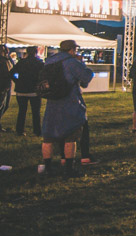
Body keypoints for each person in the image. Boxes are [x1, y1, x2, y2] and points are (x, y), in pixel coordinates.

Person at [39, 40, 94, 176]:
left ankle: (48, 167)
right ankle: (69, 168)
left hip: (52, 102)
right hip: (69, 101)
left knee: (48, 137)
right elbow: (86, 77)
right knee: (71, 136)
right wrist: (82, 64)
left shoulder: (49, 61)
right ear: (72, 49)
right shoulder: (72, 62)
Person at [11, 47, 44, 136]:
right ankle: (37, 131)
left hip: (21, 90)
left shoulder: (21, 62)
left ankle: (20, 130)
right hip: (34, 90)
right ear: (36, 53)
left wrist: (17, 81)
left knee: (22, 111)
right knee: (36, 112)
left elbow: (11, 73)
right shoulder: (39, 63)